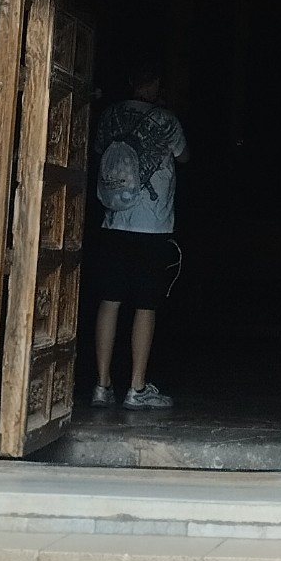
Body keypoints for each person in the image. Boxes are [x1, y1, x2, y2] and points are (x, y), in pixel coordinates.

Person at [90, 63, 188, 408]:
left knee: (110, 300)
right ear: (156, 83)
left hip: (115, 220)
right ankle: (136, 386)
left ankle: (101, 386)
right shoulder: (166, 120)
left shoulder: (112, 115)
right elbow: (184, 156)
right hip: (153, 225)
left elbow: (101, 152)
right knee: (146, 304)